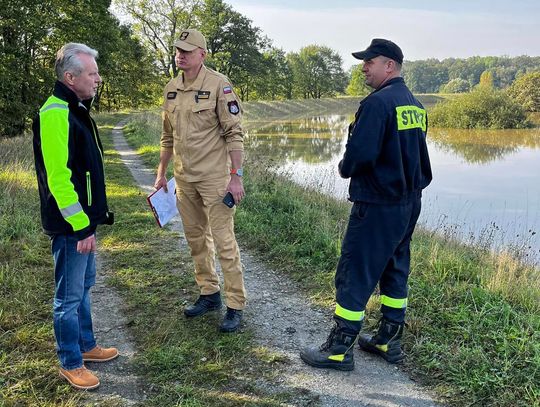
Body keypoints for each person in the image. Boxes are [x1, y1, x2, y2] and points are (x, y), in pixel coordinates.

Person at [300, 38, 433, 371]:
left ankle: (338, 348)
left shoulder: (378, 104)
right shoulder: (414, 105)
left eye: (369, 61)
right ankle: (389, 338)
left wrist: (345, 168)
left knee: (355, 270)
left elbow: (360, 155)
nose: (363, 67)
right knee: (394, 267)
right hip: (408, 203)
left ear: (389, 65)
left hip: (377, 203)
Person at [32, 43, 117, 390]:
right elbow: (59, 178)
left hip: (84, 221)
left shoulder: (76, 109)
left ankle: (86, 344)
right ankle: (70, 360)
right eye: (92, 73)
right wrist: (80, 224)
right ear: (70, 77)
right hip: (71, 225)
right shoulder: (56, 113)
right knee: (67, 297)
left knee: (83, 286)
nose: (98, 78)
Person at [154, 29, 247, 333]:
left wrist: (236, 177)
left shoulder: (219, 85)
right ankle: (209, 293)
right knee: (196, 241)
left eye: (187, 50)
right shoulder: (170, 89)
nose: (180, 55)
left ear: (202, 54)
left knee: (224, 242)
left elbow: (234, 134)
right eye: (178, 50)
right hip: (184, 180)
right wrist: (160, 172)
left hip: (215, 180)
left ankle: (235, 305)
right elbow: (168, 137)